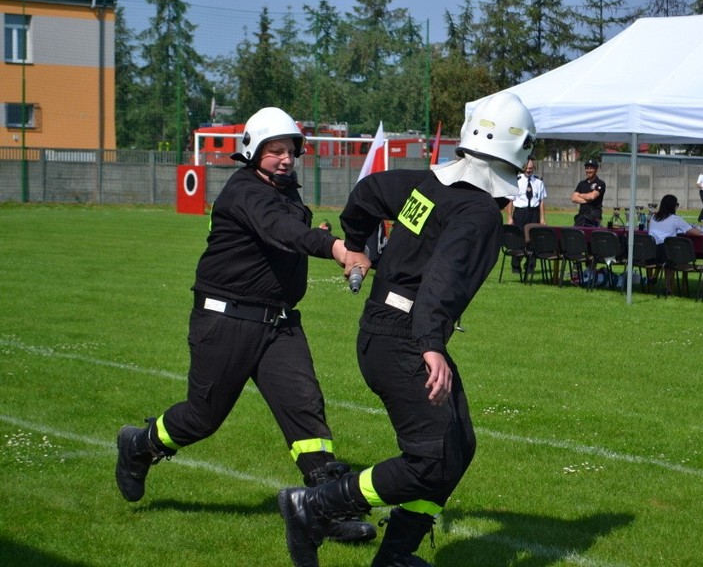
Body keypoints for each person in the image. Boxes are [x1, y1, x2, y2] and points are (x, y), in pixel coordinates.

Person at [277, 92, 536, 567]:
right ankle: (314, 505)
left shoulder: (428, 186)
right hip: (405, 337)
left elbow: (368, 193)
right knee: (431, 458)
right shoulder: (479, 212)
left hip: (387, 329)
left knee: (456, 445)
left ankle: (395, 555)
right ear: (518, 155)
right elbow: (443, 279)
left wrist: (356, 243)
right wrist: (432, 345)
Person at [114, 107, 375, 544]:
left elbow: (290, 231)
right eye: (275, 150)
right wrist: (335, 247)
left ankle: (325, 508)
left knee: (305, 408)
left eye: (290, 150)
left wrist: (320, 234)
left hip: (279, 324)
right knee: (202, 417)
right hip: (225, 319)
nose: (285, 158)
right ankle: (139, 445)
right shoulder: (245, 191)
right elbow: (281, 231)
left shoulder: (286, 191)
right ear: (253, 151)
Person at [648, 194, 700, 292]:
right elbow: (696, 233)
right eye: (677, 204)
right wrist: (697, 228)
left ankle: (655, 275)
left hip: (651, 254)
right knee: (671, 254)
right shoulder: (675, 219)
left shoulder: (653, 218)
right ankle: (668, 288)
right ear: (673, 206)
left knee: (664, 252)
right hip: (666, 255)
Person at [507, 157, 547, 273]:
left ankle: (530, 267)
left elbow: (541, 202)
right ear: (522, 167)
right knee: (518, 240)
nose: (529, 170)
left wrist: (542, 218)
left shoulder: (539, 182)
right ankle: (516, 267)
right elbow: (510, 200)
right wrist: (509, 217)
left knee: (533, 241)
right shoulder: (516, 181)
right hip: (520, 213)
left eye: (531, 168)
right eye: (526, 168)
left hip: (533, 213)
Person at [572, 159, 605, 226]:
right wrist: (588, 200)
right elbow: (574, 198)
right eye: (587, 168)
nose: (589, 170)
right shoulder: (581, 184)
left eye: (591, 168)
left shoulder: (600, 183)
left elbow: (592, 196)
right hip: (581, 216)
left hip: (594, 217)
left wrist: (580, 195)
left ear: (596, 169)